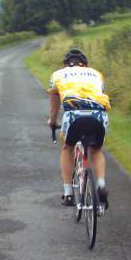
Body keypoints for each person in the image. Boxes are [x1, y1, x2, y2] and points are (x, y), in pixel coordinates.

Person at [47, 48, 111, 208]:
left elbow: (54, 108)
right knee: (96, 150)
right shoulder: (96, 74)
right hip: (97, 115)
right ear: (85, 64)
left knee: (67, 148)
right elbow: (101, 94)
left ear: (66, 64)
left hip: (74, 116)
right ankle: (101, 184)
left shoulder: (57, 75)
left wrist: (52, 122)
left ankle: (68, 193)